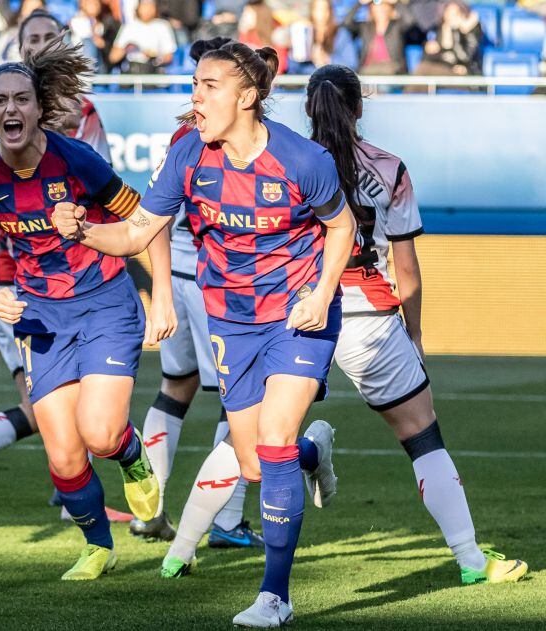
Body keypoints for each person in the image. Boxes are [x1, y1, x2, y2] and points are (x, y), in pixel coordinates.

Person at [52, 39, 355, 624]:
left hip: (297, 315)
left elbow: (341, 229)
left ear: (247, 97)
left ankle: (274, 597)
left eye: (208, 86)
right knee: (255, 464)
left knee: (272, 441)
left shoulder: (303, 160)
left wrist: (321, 295)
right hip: (231, 321)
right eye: (193, 84)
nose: (195, 97)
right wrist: (81, 230)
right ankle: (314, 450)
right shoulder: (188, 153)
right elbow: (136, 233)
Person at [0, 36, 175, 580]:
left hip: (105, 304)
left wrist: (162, 297)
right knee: (63, 456)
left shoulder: (75, 159)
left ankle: (130, 455)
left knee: (100, 435)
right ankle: (98, 546)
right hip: (40, 316)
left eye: (21, 99)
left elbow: (145, 223)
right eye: (0, 101)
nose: (11, 109)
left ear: (38, 109)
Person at [0, 10, 137, 525]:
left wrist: (99, 231)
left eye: (47, 37)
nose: (38, 44)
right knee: (42, 402)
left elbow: (106, 190)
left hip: (71, 275)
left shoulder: (83, 115)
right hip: (14, 273)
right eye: (30, 37)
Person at [305, 64, 526, 585]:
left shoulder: (286, 161)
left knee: (257, 437)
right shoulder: (389, 167)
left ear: (308, 109)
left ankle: (183, 549)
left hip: (299, 310)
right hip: (368, 317)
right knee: (423, 437)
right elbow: (405, 270)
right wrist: (416, 334)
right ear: (359, 107)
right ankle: (471, 560)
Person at [131, 37, 263, 551]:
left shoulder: (182, 135)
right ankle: (227, 519)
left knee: (175, 385)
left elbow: (152, 214)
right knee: (237, 399)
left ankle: (148, 511)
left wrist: (163, 288)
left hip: (178, 272)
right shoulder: (211, 140)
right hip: (213, 280)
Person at [343, 0, 415, 75]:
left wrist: (396, 2)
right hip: (368, 70)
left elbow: (410, 21)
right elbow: (346, 23)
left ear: (390, 9)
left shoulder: (397, 26)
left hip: (393, 70)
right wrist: (360, 3)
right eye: (377, 7)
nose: (380, 10)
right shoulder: (365, 27)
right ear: (371, 10)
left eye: (384, 7)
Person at [287, 0, 358, 74]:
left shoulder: (340, 34)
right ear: (311, 11)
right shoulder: (304, 33)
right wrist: (294, 50)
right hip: (307, 78)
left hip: (332, 78)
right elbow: (293, 70)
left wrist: (327, 59)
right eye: (318, 9)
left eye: (324, 8)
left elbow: (352, 65)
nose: (321, 13)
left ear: (330, 11)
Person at [413, 0, 482, 77]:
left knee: (425, 70)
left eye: (454, 14)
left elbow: (464, 57)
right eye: (448, 13)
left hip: (459, 69)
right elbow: (429, 57)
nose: (450, 17)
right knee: (423, 68)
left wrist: (455, 31)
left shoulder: (467, 31)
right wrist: (428, 48)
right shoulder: (439, 28)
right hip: (440, 66)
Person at [108, 0, 177, 74]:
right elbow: (113, 58)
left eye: (150, 7)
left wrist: (155, 58)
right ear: (138, 7)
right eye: (144, 6)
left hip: (153, 70)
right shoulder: (129, 26)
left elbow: (169, 57)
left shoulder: (163, 26)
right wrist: (127, 48)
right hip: (132, 71)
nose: (147, 10)